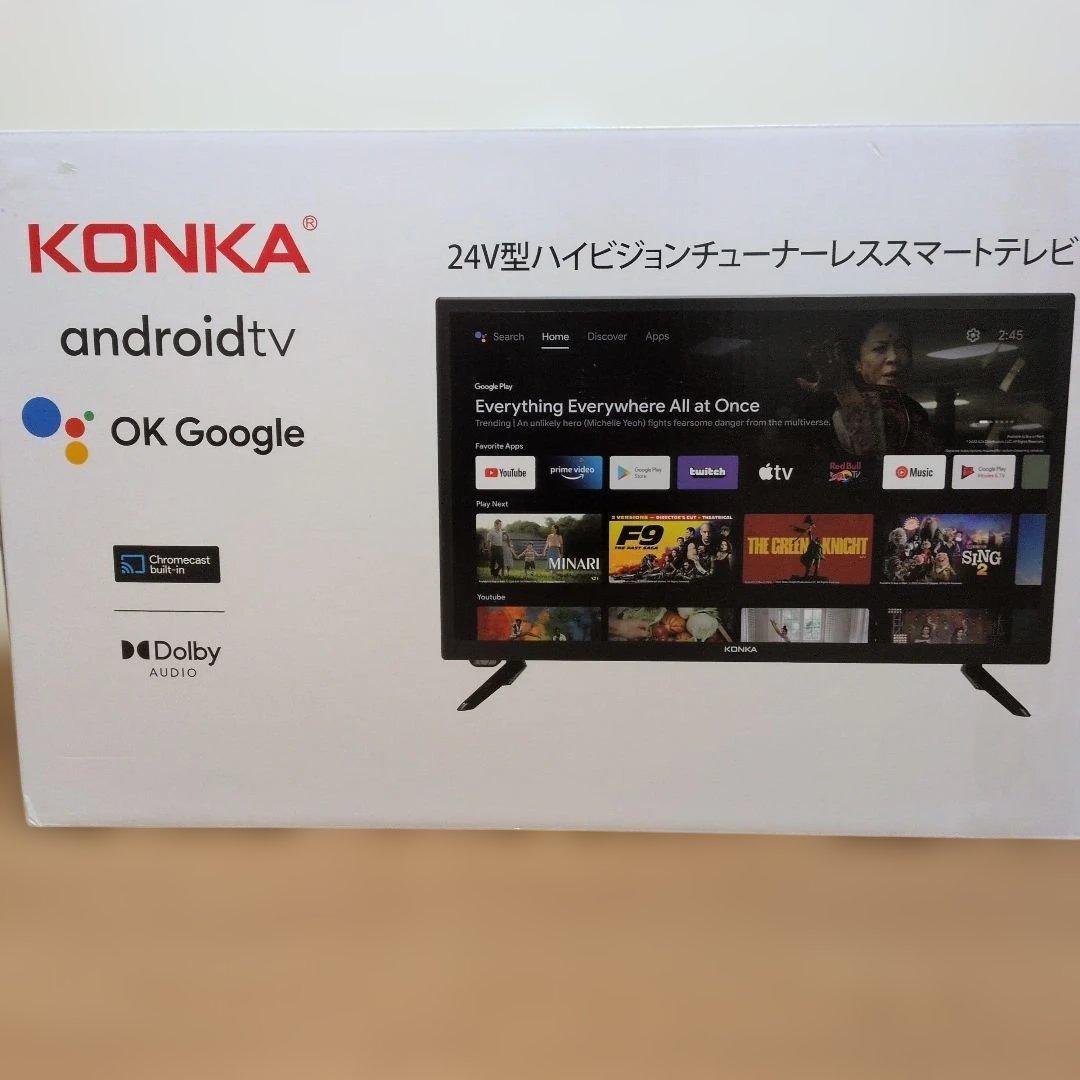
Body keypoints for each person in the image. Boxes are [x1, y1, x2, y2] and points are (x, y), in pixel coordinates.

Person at [799, 317, 941, 453]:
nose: (894, 357)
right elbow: (871, 451)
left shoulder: (912, 408)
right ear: (857, 363)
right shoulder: (833, 407)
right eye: (879, 348)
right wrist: (843, 389)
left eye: (901, 347)